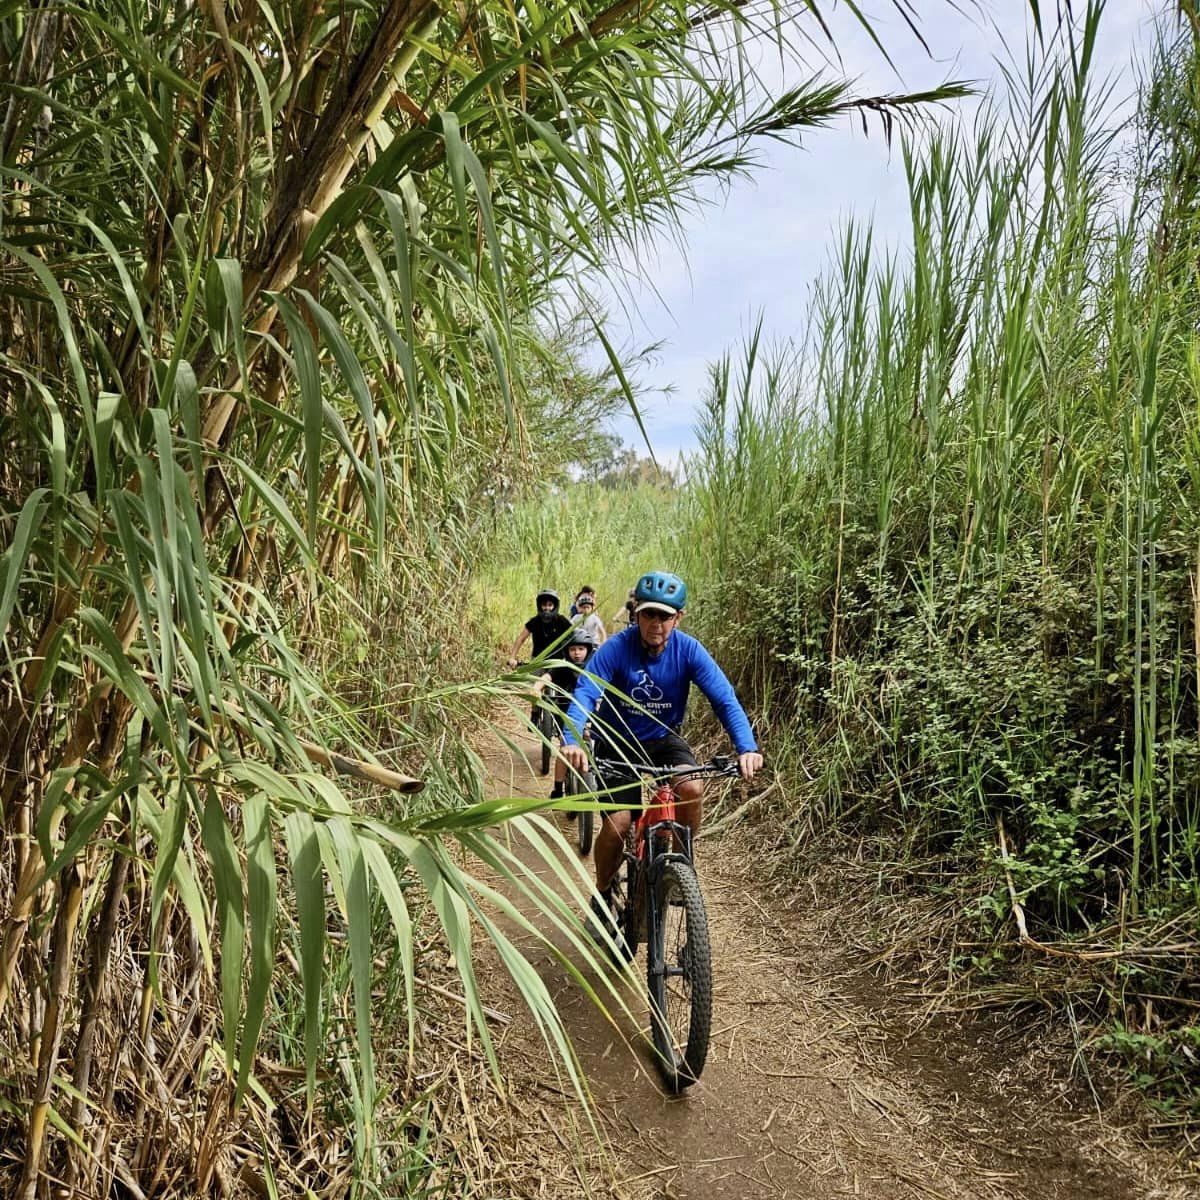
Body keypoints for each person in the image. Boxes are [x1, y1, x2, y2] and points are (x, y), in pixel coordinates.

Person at [558, 570, 763, 937]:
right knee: (619, 825)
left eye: (665, 616)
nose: (656, 624)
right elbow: (586, 692)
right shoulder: (616, 648)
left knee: (691, 789)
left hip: (664, 739)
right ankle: (603, 893)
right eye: (649, 614)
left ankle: (680, 866)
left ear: (678, 618)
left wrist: (746, 748)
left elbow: (724, 699)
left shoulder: (689, 650)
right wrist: (572, 738)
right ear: (636, 613)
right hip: (617, 741)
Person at [539, 626, 599, 801]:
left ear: (588, 650)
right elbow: (547, 677)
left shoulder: (594, 667)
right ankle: (558, 788)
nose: (577, 653)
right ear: (567, 651)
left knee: (595, 742)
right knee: (565, 750)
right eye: (573, 649)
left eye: (581, 649)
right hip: (566, 717)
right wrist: (537, 687)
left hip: (590, 716)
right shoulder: (563, 668)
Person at [507, 589, 572, 667]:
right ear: (540, 606)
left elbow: (573, 637)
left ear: (555, 606)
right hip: (537, 661)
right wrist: (512, 657)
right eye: (544, 605)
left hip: (556, 663)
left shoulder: (562, 621)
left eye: (550, 605)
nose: (547, 608)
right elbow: (521, 638)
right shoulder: (534, 621)